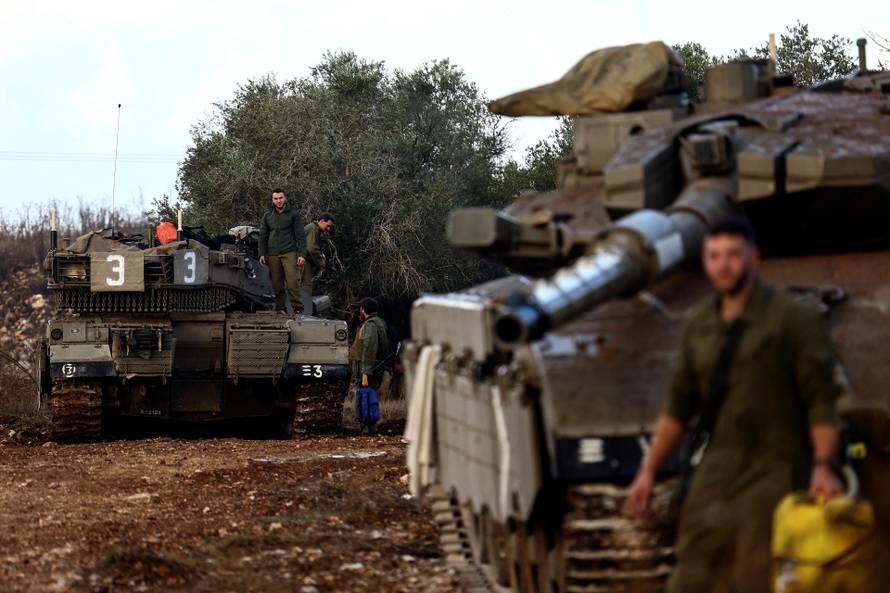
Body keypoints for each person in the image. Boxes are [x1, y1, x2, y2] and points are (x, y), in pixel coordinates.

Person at [626, 218, 844, 593]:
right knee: (691, 573)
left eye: (732, 255)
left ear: (753, 258)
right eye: (714, 256)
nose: (723, 265)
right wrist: (648, 472)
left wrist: (824, 466)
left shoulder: (792, 318)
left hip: (775, 467)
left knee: (757, 574)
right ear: (705, 261)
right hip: (715, 468)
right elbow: (677, 407)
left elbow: (821, 399)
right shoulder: (699, 323)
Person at [258, 188, 307, 313]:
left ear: (285, 199)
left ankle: (298, 308)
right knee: (276, 283)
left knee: (292, 282)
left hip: (289, 252)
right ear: (272, 200)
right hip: (273, 253)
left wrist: (302, 254)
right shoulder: (268, 215)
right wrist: (262, 253)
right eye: (276, 198)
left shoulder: (293, 214)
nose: (278, 201)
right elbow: (263, 235)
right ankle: (280, 308)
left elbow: (300, 235)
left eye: (280, 198)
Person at [350, 297, 392, 434]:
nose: (359, 311)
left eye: (361, 308)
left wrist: (365, 373)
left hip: (370, 370)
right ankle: (369, 426)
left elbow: (369, 349)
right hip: (374, 368)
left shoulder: (370, 325)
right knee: (369, 396)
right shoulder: (379, 322)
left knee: (366, 397)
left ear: (364, 310)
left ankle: (368, 428)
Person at [300, 213, 335, 315]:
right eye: (328, 226)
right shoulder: (313, 228)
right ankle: (303, 312)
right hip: (301, 260)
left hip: (302, 260)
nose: (328, 229)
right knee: (305, 286)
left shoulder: (314, 229)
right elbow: (311, 248)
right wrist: (321, 260)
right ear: (322, 221)